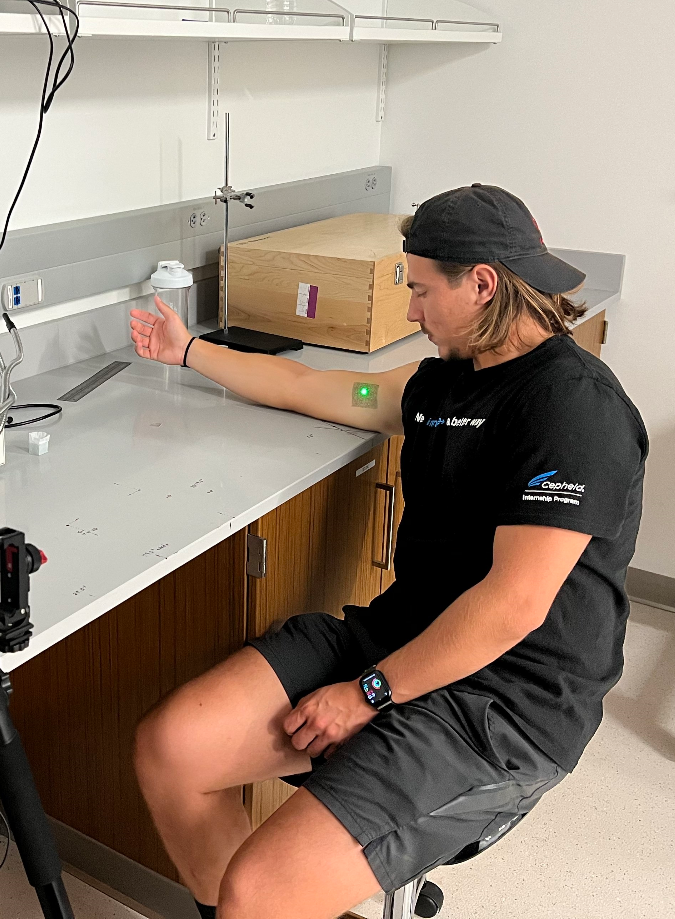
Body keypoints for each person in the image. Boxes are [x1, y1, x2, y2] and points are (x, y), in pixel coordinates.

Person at [128, 185, 648, 919]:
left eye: (422, 289)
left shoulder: (571, 408)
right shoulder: (443, 382)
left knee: (260, 888)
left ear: (483, 284)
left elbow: (513, 608)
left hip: (508, 702)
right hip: (403, 637)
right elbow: (310, 385)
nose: (411, 311)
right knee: (172, 747)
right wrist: (189, 351)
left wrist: (367, 694)